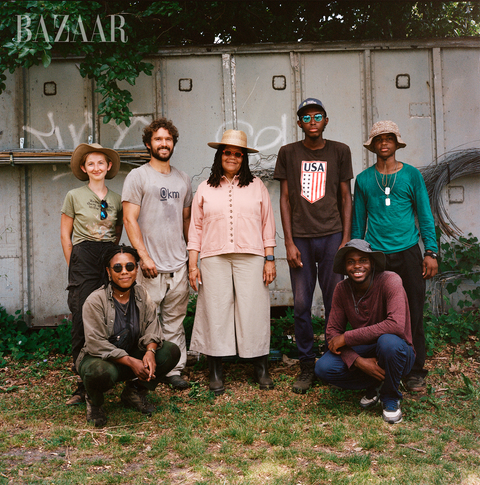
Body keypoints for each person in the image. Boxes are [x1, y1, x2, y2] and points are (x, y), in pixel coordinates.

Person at [273, 98, 353, 394]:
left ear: (326, 120)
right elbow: (284, 198)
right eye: (306, 118)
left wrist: (346, 239)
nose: (312, 121)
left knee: (335, 302)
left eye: (318, 116)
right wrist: (289, 242)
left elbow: (346, 196)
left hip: (333, 235)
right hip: (301, 240)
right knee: (302, 305)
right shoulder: (288, 153)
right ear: (299, 124)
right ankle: (307, 362)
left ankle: (334, 356)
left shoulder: (340, 151)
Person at [351, 120, 438, 392]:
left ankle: (414, 371)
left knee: (413, 311)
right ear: (373, 146)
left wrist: (431, 251)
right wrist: (356, 257)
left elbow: (424, 215)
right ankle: (384, 367)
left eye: (389, 138)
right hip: (377, 256)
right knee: (378, 315)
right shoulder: (364, 179)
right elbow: (358, 222)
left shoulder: (412, 175)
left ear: (396, 143)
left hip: (409, 253)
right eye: (379, 139)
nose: (384, 143)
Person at [188, 129, 276, 395]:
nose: (233, 157)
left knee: (254, 309)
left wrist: (269, 258)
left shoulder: (256, 185)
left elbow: (267, 224)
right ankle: (215, 369)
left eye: (238, 154)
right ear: (220, 155)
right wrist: (193, 264)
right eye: (228, 152)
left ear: (244, 158)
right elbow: (195, 229)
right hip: (213, 256)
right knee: (215, 310)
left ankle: (260, 366)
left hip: (251, 255)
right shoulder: (204, 188)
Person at [122, 118, 192, 390]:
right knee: (144, 324)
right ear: (148, 144)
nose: (164, 144)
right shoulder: (138, 177)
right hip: (150, 267)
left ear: (173, 143)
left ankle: (174, 370)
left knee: (175, 321)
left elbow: (187, 223)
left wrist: (191, 259)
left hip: (179, 265)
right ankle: (143, 371)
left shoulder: (183, 178)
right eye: (158, 139)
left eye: (168, 139)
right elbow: (130, 219)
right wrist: (143, 256)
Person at [76, 245, 181, 427]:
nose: (124, 272)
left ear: (137, 269)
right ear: (109, 272)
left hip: (132, 356)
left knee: (170, 352)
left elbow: (152, 328)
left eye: (130, 267)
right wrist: (132, 362)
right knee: (98, 372)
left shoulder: (141, 294)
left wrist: (150, 352)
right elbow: (96, 344)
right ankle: (95, 403)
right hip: (102, 361)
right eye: (118, 268)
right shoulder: (95, 301)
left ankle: (134, 392)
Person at [315, 239, 415, 424]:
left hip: (399, 350)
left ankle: (390, 396)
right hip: (366, 350)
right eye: (350, 261)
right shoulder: (341, 289)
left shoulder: (390, 280)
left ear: (372, 263)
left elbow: (395, 325)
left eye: (363, 260)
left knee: (388, 342)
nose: (357, 266)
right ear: (345, 267)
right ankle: (374, 383)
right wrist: (359, 362)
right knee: (323, 367)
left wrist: (346, 337)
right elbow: (332, 333)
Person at [60, 143, 123, 405]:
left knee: (109, 313)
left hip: (107, 254)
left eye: (101, 163)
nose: (96, 167)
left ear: (108, 167)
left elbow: (118, 230)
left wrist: (112, 257)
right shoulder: (74, 195)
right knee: (83, 315)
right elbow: (65, 234)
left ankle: (107, 374)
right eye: (91, 164)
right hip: (83, 257)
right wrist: (74, 263)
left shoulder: (117, 198)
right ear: (84, 168)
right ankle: (82, 382)